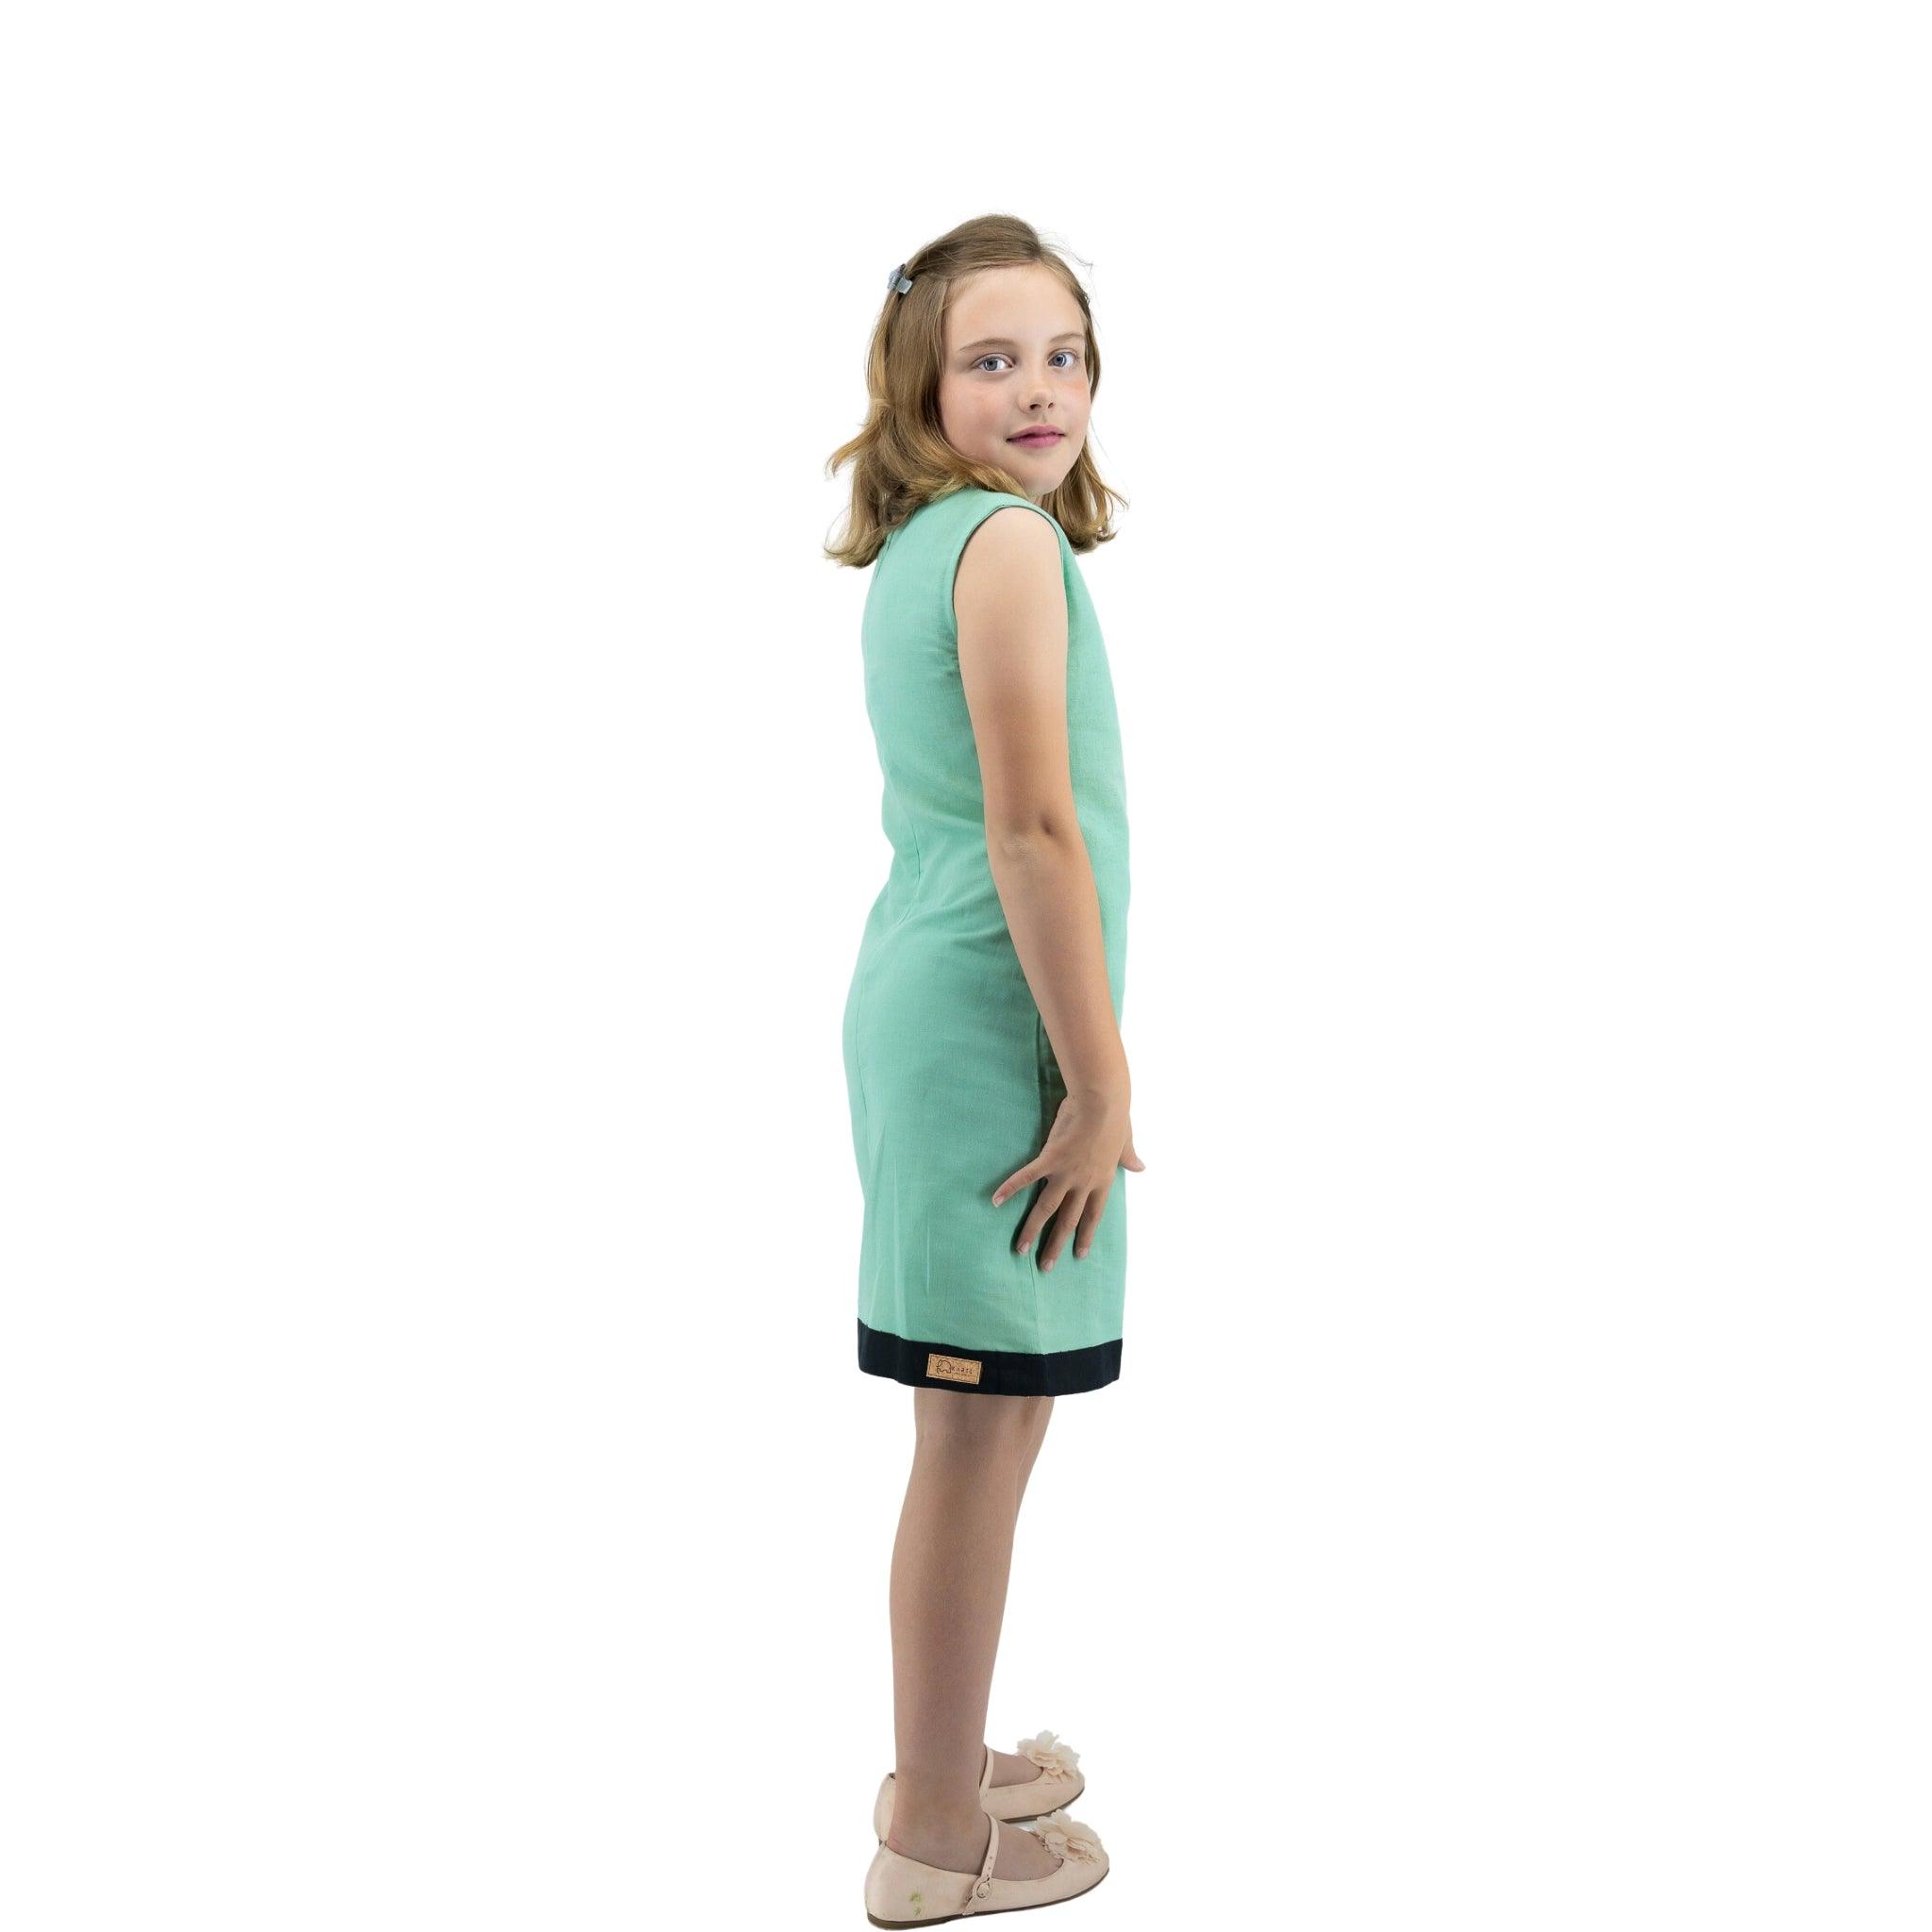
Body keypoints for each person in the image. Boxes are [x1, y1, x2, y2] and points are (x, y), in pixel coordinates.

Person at [824, 215, 1141, 1925]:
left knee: (986, 1423)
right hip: (984, 1030)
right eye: (991, 360)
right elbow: (1030, 830)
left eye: (1064, 354)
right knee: (978, 1429)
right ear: (923, 391)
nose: (1036, 388)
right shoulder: (1008, 551)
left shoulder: (939, 547)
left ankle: (931, 1758)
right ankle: (934, 1837)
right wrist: (1094, 1087)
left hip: (939, 1003)